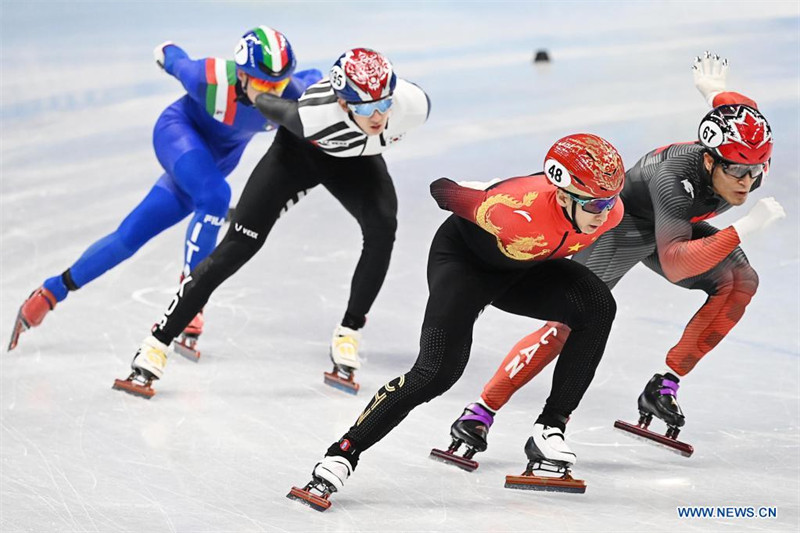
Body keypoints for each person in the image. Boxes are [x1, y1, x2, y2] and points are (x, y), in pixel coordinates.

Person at [442, 52, 786, 461]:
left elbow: (739, 111)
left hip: (673, 227)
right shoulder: (673, 178)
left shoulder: (739, 146)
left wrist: (713, 91)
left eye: (757, 172)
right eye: (737, 173)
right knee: (571, 323)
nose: (748, 184)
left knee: (741, 282)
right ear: (709, 159)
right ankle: (481, 411)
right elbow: (675, 262)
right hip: (623, 229)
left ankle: (665, 386)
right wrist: (743, 228)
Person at [288, 133, 627, 510]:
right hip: (465, 264)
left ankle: (550, 428)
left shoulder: (609, 212)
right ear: (564, 195)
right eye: (597, 202)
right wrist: (483, 192)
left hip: (525, 269)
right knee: (437, 371)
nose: (605, 210)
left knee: (598, 307)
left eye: (611, 199)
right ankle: (343, 452)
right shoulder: (510, 210)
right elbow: (443, 191)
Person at [114, 48, 431, 398]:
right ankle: (157, 342)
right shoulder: (312, 115)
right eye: (365, 107)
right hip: (298, 156)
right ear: (343, 104)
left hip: (356, 163)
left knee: (383, 229)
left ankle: (348, 334)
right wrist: (248, 92)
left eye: (383, 104)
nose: (378, 116)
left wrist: (380, 106)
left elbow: (383, 111)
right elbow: (268, 105)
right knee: (239, 245)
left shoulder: (412, 105)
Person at [8, 27, 321, 354]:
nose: (272, 92)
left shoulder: (294, 93)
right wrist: (167, 51)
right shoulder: (208, 78)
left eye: (278, 83)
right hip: (178, 135)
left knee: (129, 237)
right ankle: (191, 302)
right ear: (241, 75)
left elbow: (323, 86)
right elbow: (173, 58)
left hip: (213, 163)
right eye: (262, 83)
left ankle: (50, 291)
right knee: (215, 197)